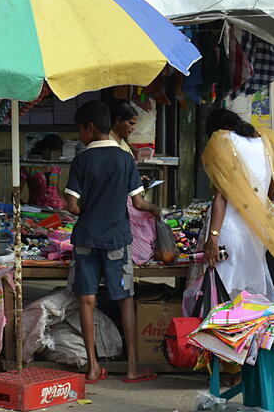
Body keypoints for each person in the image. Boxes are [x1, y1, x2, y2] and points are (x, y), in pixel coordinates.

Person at [64, 100, 160, 384]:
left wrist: (86, 207)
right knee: (125, 300)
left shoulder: (81, 160)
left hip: (86, 238)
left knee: (87, 298)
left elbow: (72, 206)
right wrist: (154, 211)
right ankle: (132, 367)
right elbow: (139, 202)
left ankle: (92, 367)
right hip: (117, 238)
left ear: (90, 128)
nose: (80, 135)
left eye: (80, 130)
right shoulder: (124, 158)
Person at [201, 109, 274, 304]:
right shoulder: (265, 140)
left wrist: (213, 237)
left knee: (222, 290)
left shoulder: (223, 141)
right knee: (252, 293)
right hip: (256, 230)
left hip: (228, 228)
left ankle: (224, 332)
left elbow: (221, 196)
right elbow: (273, 188)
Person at [21, 134, 66, 209]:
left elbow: (55, 188)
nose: (59, 155)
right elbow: (15, 194)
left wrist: (65, 203)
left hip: (58, 208)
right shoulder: (29, 167)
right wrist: (23, 208)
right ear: (47, 150)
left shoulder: (56, 166)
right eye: (57, 152)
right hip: (37, 208)